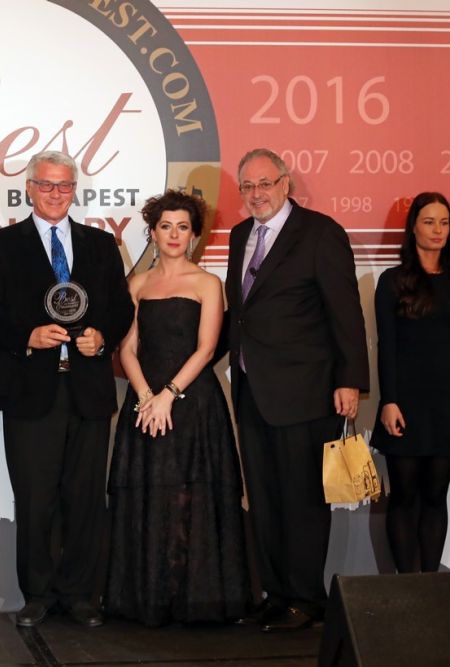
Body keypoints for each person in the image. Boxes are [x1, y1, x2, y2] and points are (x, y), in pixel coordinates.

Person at [0, 150, 134, 628]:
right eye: (46, 184)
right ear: (29, 188)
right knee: (35, 498)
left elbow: (121, 308)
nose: (55, 193)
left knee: (85, 497)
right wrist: (26, 336)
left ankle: (81, 594)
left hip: (88, 390)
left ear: (74, 190)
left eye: (64, 185)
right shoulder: (2, 244)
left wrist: (101, 337)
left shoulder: (101, 244)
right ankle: (38, 594)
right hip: (30, 390)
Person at [226, 148, 368, 632]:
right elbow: (241, 313)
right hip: (252, 388)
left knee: (303, 499)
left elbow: (345, 312)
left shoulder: (320, 233)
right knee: (264, 498)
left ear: (285, 183)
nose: (256, 194)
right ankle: (276, 593)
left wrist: (350, 380)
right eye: (248, 186)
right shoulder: (241, 235)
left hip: (307, 391)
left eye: (265, 183)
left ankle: (306, 599)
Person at [105, 190, 249, 626]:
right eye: (165, 226)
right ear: (152, 232)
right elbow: (127, 349)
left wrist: (168, 394)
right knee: (149, 497)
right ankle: (149, 598)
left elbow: (206, 349)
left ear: (193, 235)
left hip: (193, 405)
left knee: (190, 499)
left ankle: (194, 601)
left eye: (182, 227)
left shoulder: (207, 284)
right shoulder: (137, 285)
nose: (173, 234)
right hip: (145, 405)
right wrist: (146, 397)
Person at [372, 192, 450, 574]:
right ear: (413, 227)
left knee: (435, 497)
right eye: (429, 221)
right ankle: (406, 585)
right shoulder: (392, 281)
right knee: (403, 495)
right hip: (405, 402)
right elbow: (386, 346)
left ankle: (431, 585)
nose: (438, 230)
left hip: (448, 404)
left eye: (444, 222)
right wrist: (389, 401)